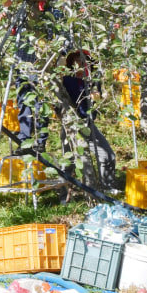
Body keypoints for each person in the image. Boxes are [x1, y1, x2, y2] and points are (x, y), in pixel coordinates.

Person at [55, 49, 116, 192]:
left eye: (84, 61)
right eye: (77, 61)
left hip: (87, 124)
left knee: (107, 155)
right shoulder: (68, 80)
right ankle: (63, 194)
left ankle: (107, 187)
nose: (80, 64)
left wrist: (98, 96)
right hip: (72, 124)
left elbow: (95, 101)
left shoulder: (93, 82)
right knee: (69, 161)